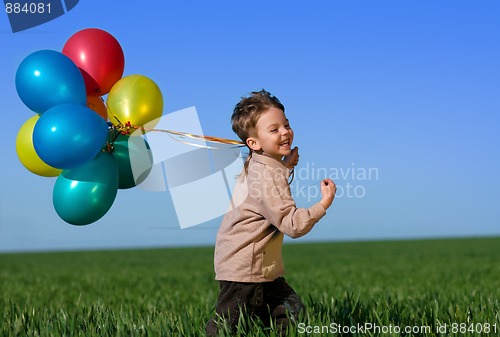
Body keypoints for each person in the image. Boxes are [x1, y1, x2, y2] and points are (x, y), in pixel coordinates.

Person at [206, 89, 336, 336]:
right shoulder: (267, 177)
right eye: (274, 130)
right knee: (226, 327)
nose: (285, 132)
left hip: (256, 268)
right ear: (253, 143)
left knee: (290, 313)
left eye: (286, 125)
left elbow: (268, 193)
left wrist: (284, 166)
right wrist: (323, 204)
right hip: (246, 272)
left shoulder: (258, 164)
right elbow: (292, 224)